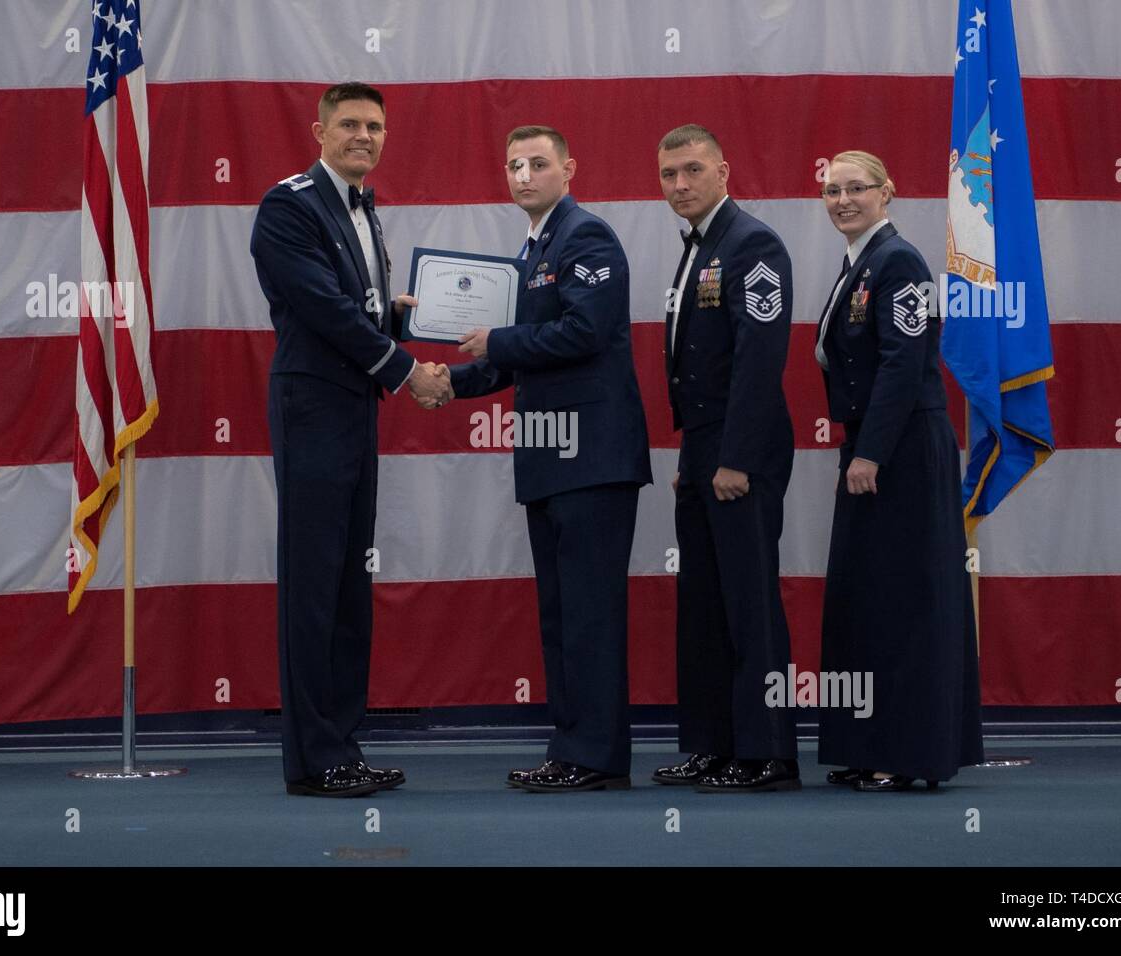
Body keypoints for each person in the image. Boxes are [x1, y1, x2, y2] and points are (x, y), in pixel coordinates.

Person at [250, 82, 451, 797]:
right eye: (350, 124)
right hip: (313, 410)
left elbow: (354, 308)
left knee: (346, 587)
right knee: (314, 585)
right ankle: (313, 760)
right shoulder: (289, 204)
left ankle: (342, 743)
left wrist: (394, 319)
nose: (364, 136)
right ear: (319, 130)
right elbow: (323, 310)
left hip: (354, 409)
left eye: (374, 126)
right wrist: (404, 369)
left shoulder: (363, 208)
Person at [442, 125, 652, 792]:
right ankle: (574, 749)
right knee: (564, 616)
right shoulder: (536, 250)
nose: (524, 175)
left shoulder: (585, 237)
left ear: (569, 168)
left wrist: (496, 343)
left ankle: (594, 756)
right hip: (552, 458)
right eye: (513, 165)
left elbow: (585, 332)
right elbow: (520, 356)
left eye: (538, 163)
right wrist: (448, 381)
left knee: (589, 616)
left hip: (591, 458)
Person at [814, 150, 984, 791]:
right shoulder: (858, 263)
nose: (844, 200)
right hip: (873, 444)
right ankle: (867, 742)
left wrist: (872, 452)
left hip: (903, 449)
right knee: (868, 600)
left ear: (888, 192)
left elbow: (904, 364)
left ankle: (908, 754)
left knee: (907, 602)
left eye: (857, 188)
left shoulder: (900, 261)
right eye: (833, 190)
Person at [650, 125, 800, 793]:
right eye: (668, 174)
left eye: (691, 170)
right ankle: (712, 745)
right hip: (706, 448)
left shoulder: (752, 244)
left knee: (748, 604)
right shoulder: (699, 246)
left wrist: (734, 457)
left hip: (745, 447)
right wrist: (697, 454)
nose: (679, 184)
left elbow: (759, 361)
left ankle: (767, 752)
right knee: (703, 606)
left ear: (723, 170)